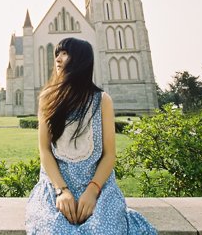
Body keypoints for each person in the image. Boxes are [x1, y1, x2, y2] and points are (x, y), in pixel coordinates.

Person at [25, 37, 157, 234]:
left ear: (81, 60)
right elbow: (44, 150)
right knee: (53, 230)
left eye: (65, 53)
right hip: (56, 186)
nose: (58, 59)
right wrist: (62, 191)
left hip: (98, 187)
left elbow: (109, 154)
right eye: (57, 54)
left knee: (104, 230)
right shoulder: (47, 99)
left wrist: (93, 190)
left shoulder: (102, 100)